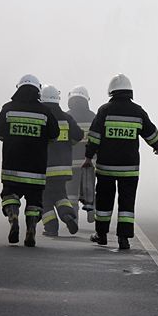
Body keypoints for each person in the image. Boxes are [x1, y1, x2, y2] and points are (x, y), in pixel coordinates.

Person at [83, 74, 158, 250]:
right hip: (129, 169)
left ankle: (101, 235)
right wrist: (157, 146)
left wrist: (88, 157)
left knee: (104, 201)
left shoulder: (104, 110)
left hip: (106, 168)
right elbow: (151, 133)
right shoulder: (138, 112)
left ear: (111, 91)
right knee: (127, 203)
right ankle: (124, 238)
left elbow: (94, 136)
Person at [0, 74, 60, 247]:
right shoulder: (45, 111)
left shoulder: (8, 108)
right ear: (38, 91)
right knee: (34, 200)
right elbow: (54, 135)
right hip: (36, 168)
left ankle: (13, 216)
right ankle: (31, 228)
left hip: (12, 166)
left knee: (10, 195)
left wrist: (11, 139)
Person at [39, 85, 84, 237]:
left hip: (44, 168)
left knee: (44, 199)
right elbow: (78, 135)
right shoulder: (66, 117)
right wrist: (68, 143)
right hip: (63, 169)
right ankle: (68, 216)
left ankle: (51, 227)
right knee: (61, 195)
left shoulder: (41, 117)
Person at [65, 86, 96, 223]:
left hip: (71, 163)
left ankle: (74, 217)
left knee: (71, 192)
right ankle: (91, 209)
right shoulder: (93, 117)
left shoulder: (67, 116)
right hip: (90, 162)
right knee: (89, 188)